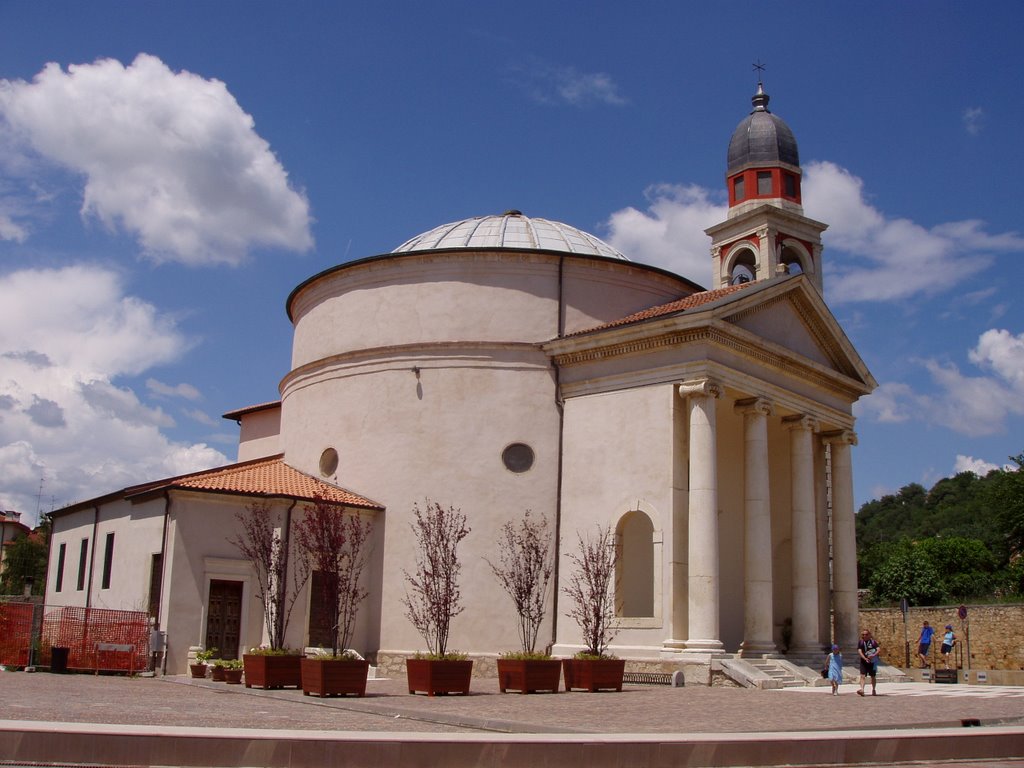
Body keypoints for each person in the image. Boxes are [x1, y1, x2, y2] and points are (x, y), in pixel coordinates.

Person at [857, 628, 880, 696]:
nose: (864, 636)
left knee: (873, 676)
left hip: (872, 662)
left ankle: (873, 689)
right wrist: (864, 658)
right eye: (863, 634)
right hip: (864, 661)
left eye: (866, 634)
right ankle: (862, 690)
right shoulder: (861, 642)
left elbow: (878, 650)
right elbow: (859, 651)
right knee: (862, 676)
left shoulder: (873, 642)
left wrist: (873, 655)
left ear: (869, 635)